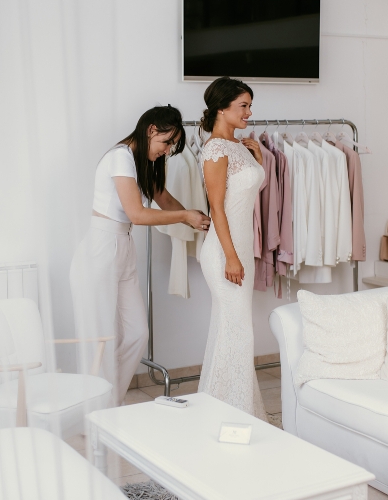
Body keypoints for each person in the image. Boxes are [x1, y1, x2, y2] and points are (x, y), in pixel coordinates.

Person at [70, 105, 210, 405]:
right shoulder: (120, 157)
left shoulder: (141, 163)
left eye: (172, 146)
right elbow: (137, 213)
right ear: (151, 130)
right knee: (100, 341)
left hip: (123, 247)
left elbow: (165, 199)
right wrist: (184, 217)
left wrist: (200, 218)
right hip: (101, 249)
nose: (167, 150)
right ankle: (94, 413)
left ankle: (107, 404)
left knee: (135, 334)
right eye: (167, 142)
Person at [198, 78, 267, 419]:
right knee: (237, 329)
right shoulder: (215, 150)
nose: (249, 112)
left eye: (249, 105)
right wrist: (230, 257)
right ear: (222, 108)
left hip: (239, 251)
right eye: (243, 105)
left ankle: (229, 408)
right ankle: (230, 412)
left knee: (234, 329)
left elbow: (246, 191)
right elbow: (217, 208)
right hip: (225, 253)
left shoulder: (239, 145)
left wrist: (258, 160)